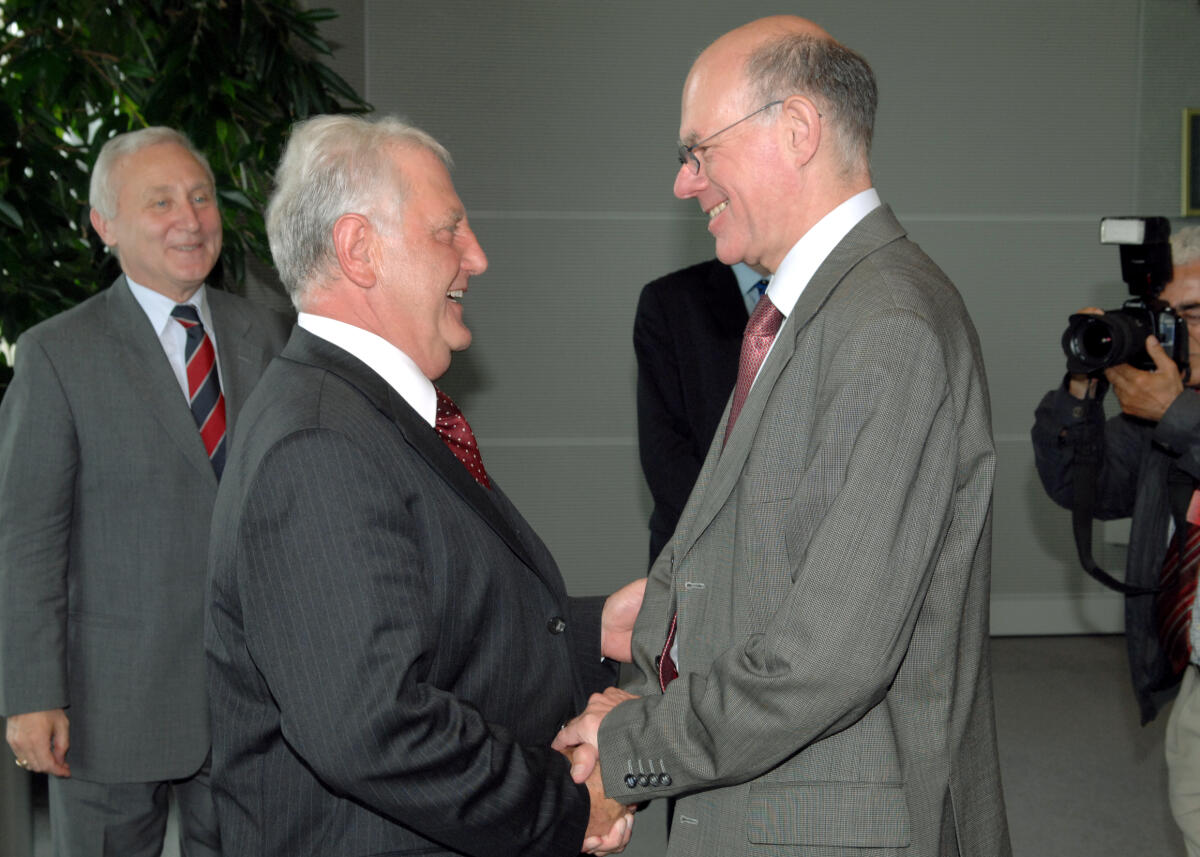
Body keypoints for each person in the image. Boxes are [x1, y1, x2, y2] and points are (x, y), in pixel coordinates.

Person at [554, 16, 1011, 856]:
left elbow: (831, 655)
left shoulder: (889, 325)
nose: (684, 184)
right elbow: (732, 558)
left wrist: (635, 747)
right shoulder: (805, 314)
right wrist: (639, 692)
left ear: (797, 130)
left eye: (700, 151)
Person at [204, 114, 643, 857]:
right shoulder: (320, 443)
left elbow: (420, 614)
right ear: (359, 249)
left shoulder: (358, 412)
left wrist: (587, 628)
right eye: (449, 230)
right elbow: (376, 726)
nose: (477, 256)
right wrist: (570, 807)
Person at [0, 126, 291, 855]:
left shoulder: (271, 333)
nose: (189, 219)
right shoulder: (57, 353)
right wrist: (31, 694)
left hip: (251, 701)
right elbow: (27, 538)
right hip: (110, 706)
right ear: (106, 224)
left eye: (200, 197)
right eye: (160, 201)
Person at [1031, 226, 1200, 852]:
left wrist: (1179, 417)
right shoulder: (1168, 407)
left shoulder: (1177, 413)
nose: (1177, 334)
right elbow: (1084, 491)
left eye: (1196, 315)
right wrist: (1083, 387)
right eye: (1166, 318)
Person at [634, 260, 766, 566]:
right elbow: (664, 453)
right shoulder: (670, 301)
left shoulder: (824, 293)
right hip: (698, 553)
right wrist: (752, 538)